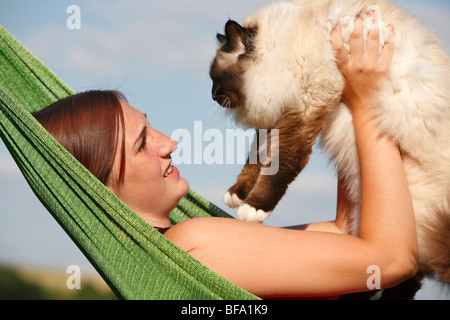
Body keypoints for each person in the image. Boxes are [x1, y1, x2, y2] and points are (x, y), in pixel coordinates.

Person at [33, 18, 418, 298]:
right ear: (95, 186)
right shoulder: (196, 245)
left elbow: (345, 235)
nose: (169, 143)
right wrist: (368, 102)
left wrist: (340, 94)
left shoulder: (174, 257)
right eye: (142, 143)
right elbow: (391, 260)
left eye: (152, 128)